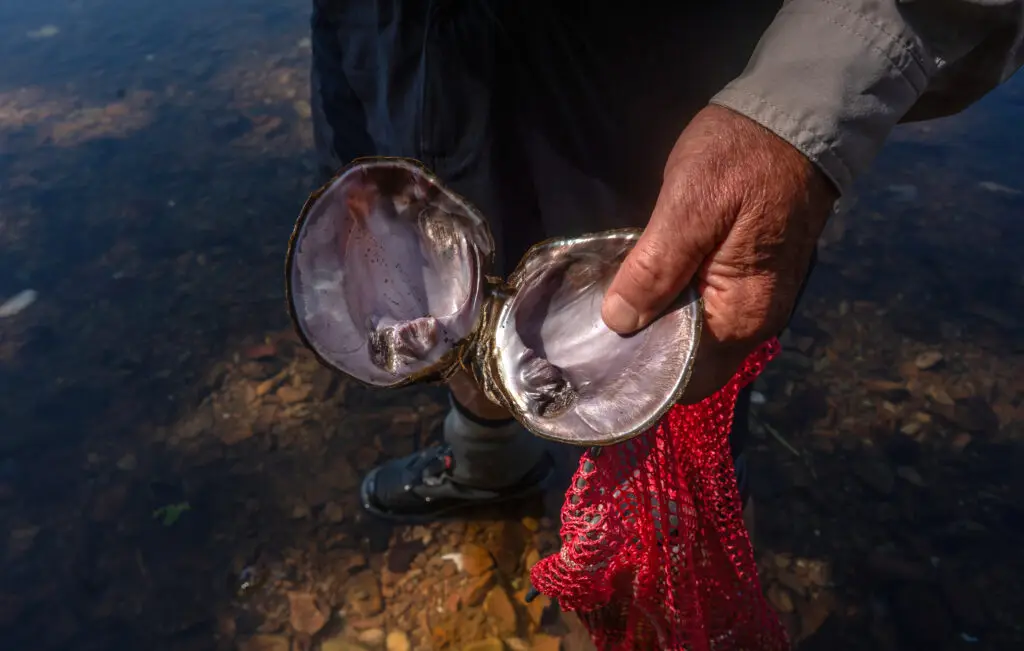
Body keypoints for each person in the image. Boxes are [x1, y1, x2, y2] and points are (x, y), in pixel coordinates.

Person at [308, 0, 1024, 525]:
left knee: (669, 335)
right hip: (387, 32)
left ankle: (660, 542)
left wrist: (799, 108)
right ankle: (489, 462)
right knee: (442, 299)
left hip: (650, 66)